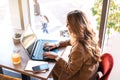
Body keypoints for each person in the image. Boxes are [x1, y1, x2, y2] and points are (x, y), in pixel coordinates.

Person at [43, 10, 101, 80]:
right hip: (89, 73)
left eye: (68, 24)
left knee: (53, 65)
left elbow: (70, 70)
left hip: (79, 77)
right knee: (57, 62)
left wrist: (56, 57)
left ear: (75, 27)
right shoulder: (89, 36)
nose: (66, 26)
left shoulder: (78, 49)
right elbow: (72, 41)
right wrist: (57, 44)